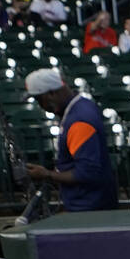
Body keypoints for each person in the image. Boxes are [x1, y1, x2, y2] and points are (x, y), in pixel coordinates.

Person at [23, 68, 118, 212]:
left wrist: (47, 174)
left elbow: (87, 172)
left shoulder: (79, 121)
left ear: (51, 94)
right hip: (90, 203)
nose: (40, 106)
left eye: (39, 99)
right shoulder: (82, 105)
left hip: (90, 208)